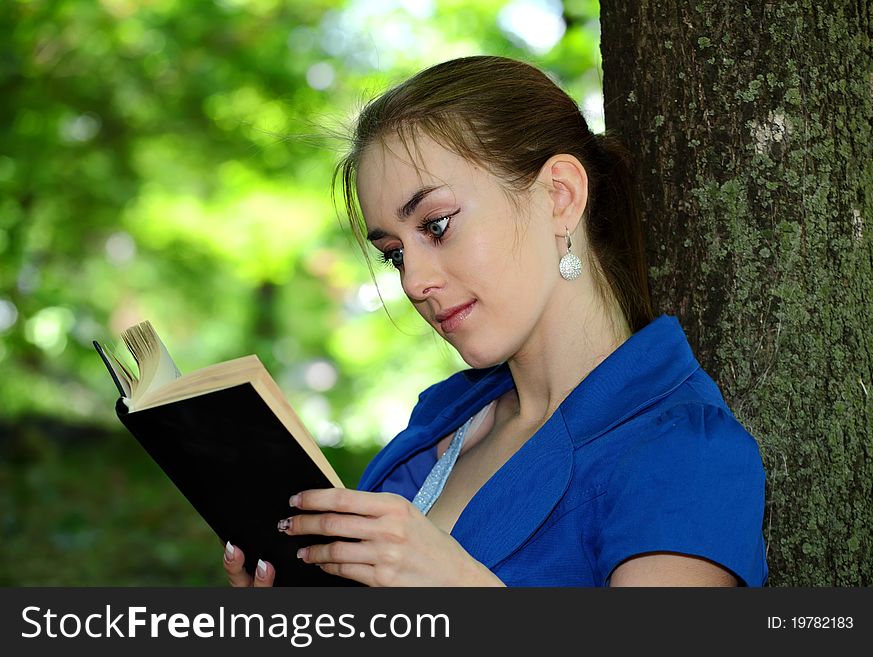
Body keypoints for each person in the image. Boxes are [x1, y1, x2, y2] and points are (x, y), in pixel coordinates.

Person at [223, 55, 768, 587]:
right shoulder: (439, 427)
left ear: (559, 196)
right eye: (394, 253)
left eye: (436, 225)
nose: (413, 282)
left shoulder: (684, 450)